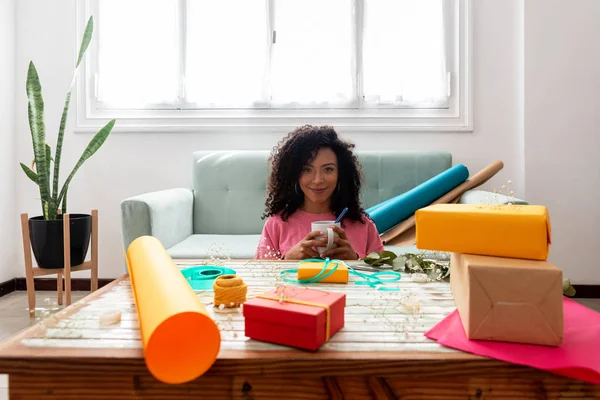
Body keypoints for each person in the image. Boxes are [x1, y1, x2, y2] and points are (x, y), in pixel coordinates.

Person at [255, 124, 384, 260]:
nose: (317, 180)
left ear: (341, 173)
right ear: (293, 174)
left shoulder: (364, 226)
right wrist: (286, 260)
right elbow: (261, 276)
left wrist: (355, 261)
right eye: (307, 169)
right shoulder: (276, 224)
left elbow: (384, 276)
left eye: (328, 169)